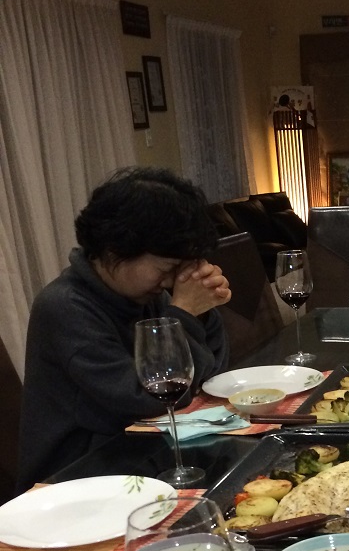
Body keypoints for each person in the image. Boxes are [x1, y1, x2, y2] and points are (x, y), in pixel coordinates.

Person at [18, 167, 231, 489]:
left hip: (141, 452)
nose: (171, 282)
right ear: (114, 251)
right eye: (168, 268)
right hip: (75, 478)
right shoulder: (65, 307)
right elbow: (147, 397)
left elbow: (211, 371)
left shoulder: (144, 294)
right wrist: (184, 313)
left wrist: (200, 311)